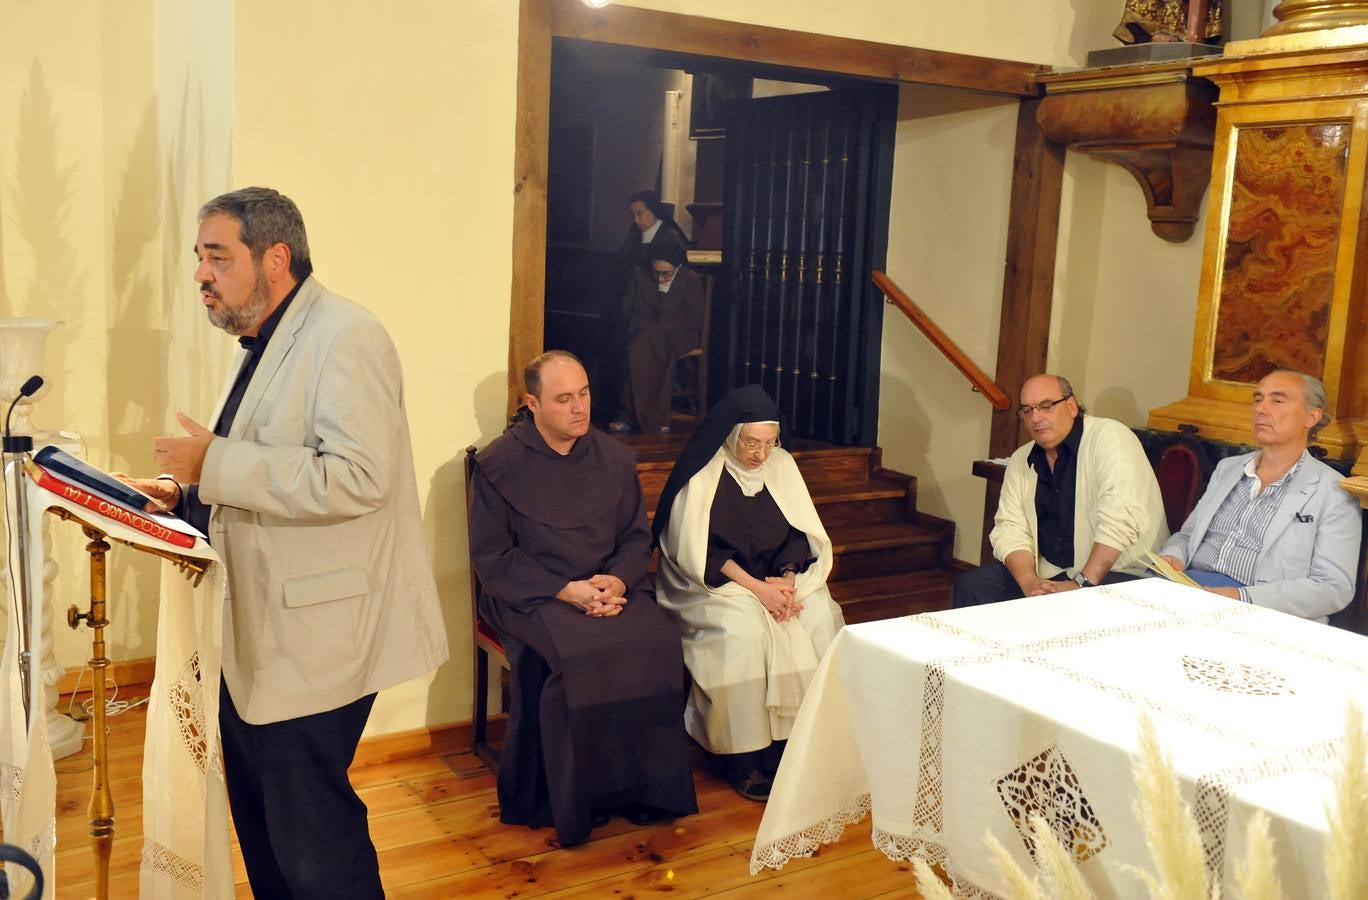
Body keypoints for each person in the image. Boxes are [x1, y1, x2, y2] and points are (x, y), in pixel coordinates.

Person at [127, 186, 449, 898]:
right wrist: (184, 493)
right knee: (265, 830)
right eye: (199, 257)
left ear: (276, 258)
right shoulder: (265, 339)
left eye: (218, 257)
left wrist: (213, 464)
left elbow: (359, 477)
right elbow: (261, 466)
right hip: (254, 634)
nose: (201, 274)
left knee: (314, 845)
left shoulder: (347, 336)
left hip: (317, 638)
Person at [468, 350, 698, 847]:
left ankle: (643, 791)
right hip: (530, 594)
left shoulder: (614, 458)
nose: (580, 408)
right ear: (532, 403)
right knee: (581, 655)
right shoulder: (498, 465)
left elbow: (635, 537)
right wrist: (565, 590)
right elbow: (493, 556)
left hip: (605, 588)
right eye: (564, 399)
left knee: (657, 642)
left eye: (585, 393)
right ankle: (575, 800)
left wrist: (617, 581)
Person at [652, 386, 844, 801]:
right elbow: (698, 550)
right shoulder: (705, 471)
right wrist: (757, 589)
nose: (761, 455)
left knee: (819, 614)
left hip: (774, 580)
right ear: (730, 434)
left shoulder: (782, 465)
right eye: (751, 444)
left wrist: (787, 579)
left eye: (770, 443)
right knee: (744, 630)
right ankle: (744, 757)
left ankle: (796, 745)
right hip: (711, 585)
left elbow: (798, 533)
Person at [1158, 370, 1361, 622]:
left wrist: (1241, 597)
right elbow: (1187, 536)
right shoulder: (1228, 468)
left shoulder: (1333, 491)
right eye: (1258, 399)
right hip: (1188, 589)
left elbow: (1333, 587)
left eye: (1277, 400)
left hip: (1260, 610)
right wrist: (1174, 557)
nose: (1261, 409)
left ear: (1312, 416)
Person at [954, 374, 1168, 607]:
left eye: (1046, 406)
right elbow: (1010, 528)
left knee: (1073, 607)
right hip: (1051, 571)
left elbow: (1119, 522)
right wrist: (1030, 583)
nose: (1036, 417)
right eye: (1027, 410)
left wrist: (1081, 584)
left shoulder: (1111, 438)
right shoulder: (1021, 458)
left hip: (1119, 572)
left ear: (1072, 406)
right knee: (972, 586)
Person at [609, 240, 707, 435]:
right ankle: (653, 417)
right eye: (657, 272)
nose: (661, 278)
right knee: (637, 344)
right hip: (647, 333)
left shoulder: (690, 279)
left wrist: (661, 326)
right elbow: (632, 311)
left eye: (666, 273)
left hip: (680, 334)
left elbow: (692, 319)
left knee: (644, 344)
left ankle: (632, 416)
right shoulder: (641, 275)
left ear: (677, 267)